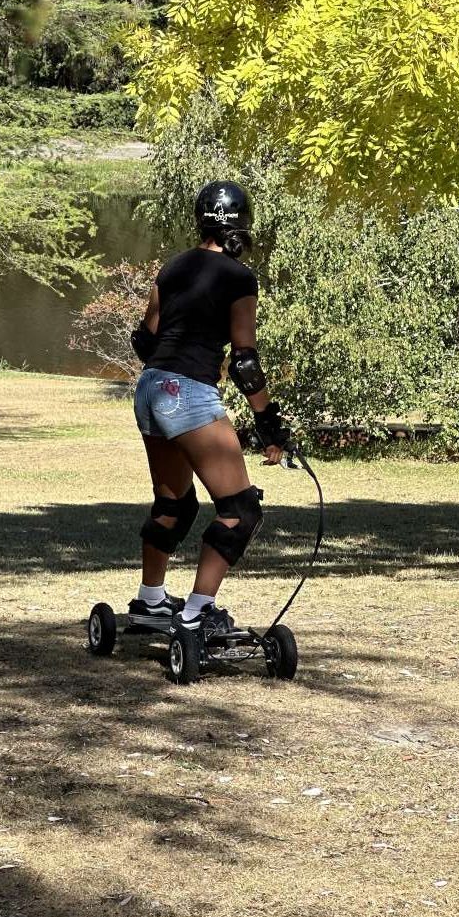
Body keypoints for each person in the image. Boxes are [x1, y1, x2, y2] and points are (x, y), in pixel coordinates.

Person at [128, 180, 293, 636]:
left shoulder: (173, 267)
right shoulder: (239, 278)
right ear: (241, 228)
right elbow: (244, 360)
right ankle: (197, 613)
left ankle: (150, 602)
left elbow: (145, 340)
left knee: (174, 503)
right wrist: (268, 422)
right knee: (241, 510)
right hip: (187, 393)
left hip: (150, 388)